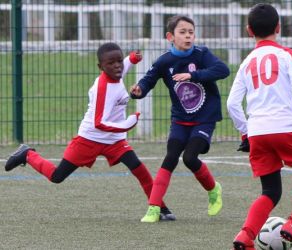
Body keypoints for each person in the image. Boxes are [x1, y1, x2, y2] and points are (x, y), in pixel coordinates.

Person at [4, 42, 175, 221]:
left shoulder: (115, 74)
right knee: (57, 176)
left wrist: (131, 59)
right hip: (89, 139)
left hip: (114, 140)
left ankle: (160, 207)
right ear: (100, 67)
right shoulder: (104, 88)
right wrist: (128, 124)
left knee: (139, 169)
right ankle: (28, 155)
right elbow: (99, 123)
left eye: (119, 61)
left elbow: (122, 69)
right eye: (111, 63)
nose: (117, 65)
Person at [227, 4, 292, 250]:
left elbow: (232, 103)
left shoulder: (246, 62)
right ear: (278, 28)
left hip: (258, 133)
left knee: (270, 191)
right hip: (284, 128)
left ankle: (245, 237)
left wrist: (245, 132)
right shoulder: (287, 54)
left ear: (249, 30)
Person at [130, 15, 230, 223]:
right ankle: (154, 208)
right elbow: (148, 80)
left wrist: (193, 76)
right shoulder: (164, 61)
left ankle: (213, 190)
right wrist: (139, 91)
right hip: (180, 120)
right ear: (170, 37)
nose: (188, 36)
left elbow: (223, 70)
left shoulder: (202, 54)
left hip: (204, 118)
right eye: (182, 32)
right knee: (170, 157)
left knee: (190, 158)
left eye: (191, 32)